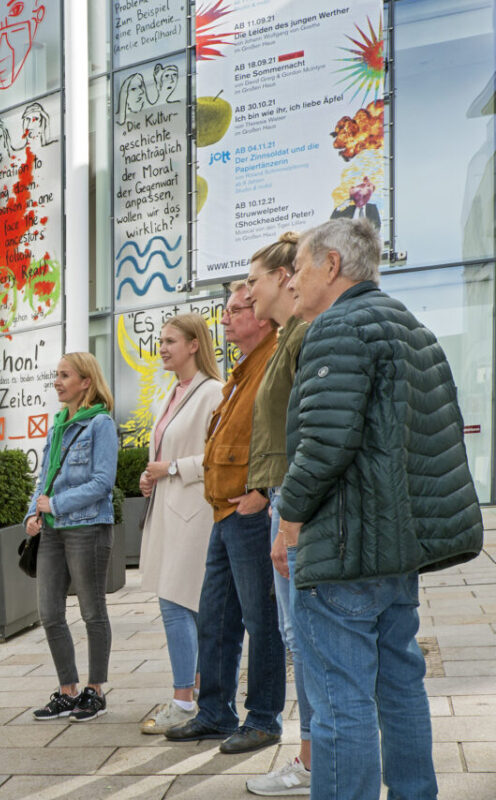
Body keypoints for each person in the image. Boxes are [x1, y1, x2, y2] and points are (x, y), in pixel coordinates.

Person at [277, 219, 483, 799]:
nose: (291, 280)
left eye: (299, 267)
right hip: (395, 552)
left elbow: (323, 443)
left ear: (332, 266)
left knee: (341, 701)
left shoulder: (339, 328)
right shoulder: (411, 328)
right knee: (400, 687)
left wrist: (288, 519)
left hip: (344, 547)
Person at [165, 283, 287, 754]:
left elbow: (279, 430)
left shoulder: (274, 361)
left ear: (262, 316)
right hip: (223, 509)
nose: (228, 318)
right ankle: (215, 712)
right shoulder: (244, 369)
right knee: (216, 618)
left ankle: (264, 718)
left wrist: (262, 490)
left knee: (261, 619)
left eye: (238, 310)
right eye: (227, 311)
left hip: (247, 510)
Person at [241, 234, 314, 795]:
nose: (248, 289)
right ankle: (313, 754)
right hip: (282, 496)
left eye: (255, 279)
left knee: (302, 639)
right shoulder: (289, 337)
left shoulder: (300, 338)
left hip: (290, 498)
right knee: (299, 638)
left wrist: (285, 518)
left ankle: (313, 759)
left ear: (287, 276)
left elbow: (307, 435)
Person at [136, 314, 223, 734]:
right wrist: (151, 474)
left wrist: (171, 467)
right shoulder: (171, 394)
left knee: (177, 603)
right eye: (161, 340)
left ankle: (183, 700)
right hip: (171, 511)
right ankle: (199, 695)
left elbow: (218, 458)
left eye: (171, 340)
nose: (163, 347)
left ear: (194, 345)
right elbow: (165, 452)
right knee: (186, 604)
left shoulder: (213, 393)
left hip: (194, 513)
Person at [24, 352, 118, 723]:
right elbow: (43, 479)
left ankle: (95, 692)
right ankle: (68, 691)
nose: (57, 382)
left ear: (86, 382)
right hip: (52, 531)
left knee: (92, 612)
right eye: (56, 374)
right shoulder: (58, 424)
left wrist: (55, 504)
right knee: (49, 613)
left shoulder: (100, 425)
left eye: (65, 375)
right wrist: (33, 513)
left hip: (88, 527)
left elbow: (102, 483)